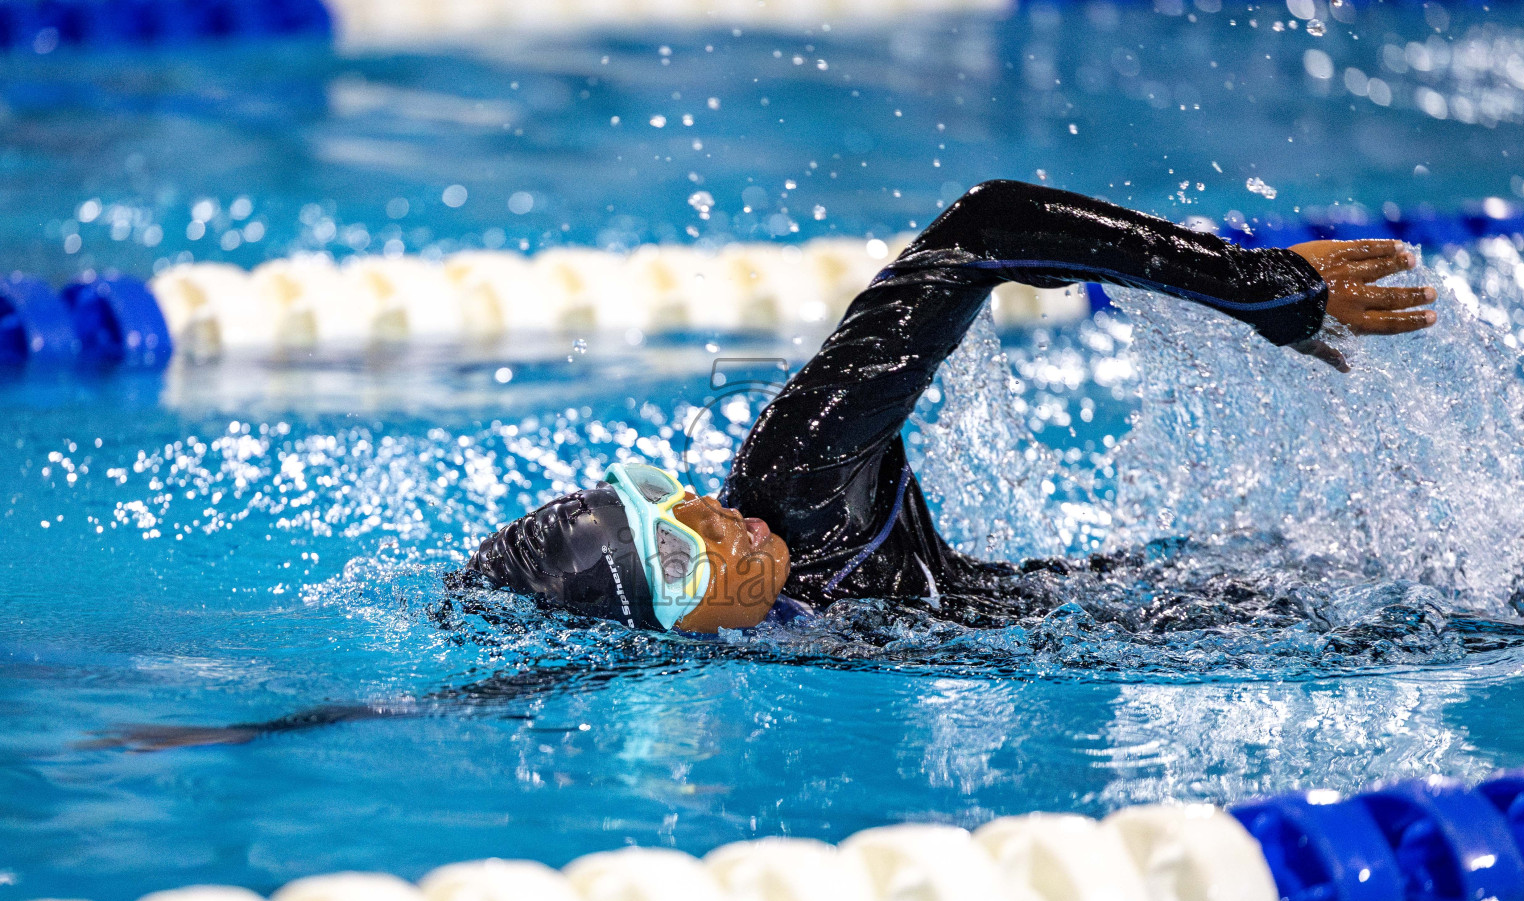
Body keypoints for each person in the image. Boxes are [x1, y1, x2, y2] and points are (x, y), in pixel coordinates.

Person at [456, 179, 1438, 633]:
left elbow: (980, 230)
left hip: (1250, 613)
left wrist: (1250, 281)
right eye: (675, 553)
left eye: (669, 497)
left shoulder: (796, 481)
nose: (716, 518)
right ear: (656, 633)